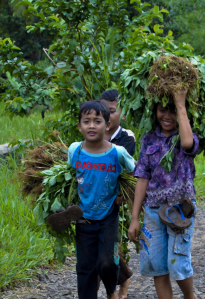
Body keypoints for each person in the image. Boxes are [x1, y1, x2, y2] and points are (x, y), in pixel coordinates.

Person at [128, 89, 199, 299]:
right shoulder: (149, 139)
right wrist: (134, 217)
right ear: (154, 112)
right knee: (156, 265)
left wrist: (180, 103)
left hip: (180, 208)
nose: (167, 116)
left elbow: (187, 145)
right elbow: (142, 178)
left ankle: (190, 297)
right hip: (152, 210)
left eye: (172, 111)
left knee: (177, 262)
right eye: (161, 110)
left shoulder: (187, 134)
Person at [69, 100, 135, 299]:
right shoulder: (75, 151)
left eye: (97, 121)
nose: (91, 126)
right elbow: (70, 178)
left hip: (108, 217)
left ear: (107, 125)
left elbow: (137, 174)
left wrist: (126, 195)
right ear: (79, 125)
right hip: (83, 217)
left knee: (108, 262)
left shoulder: (117, 153)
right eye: (86, 121)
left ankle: (112, 290)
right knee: (85, 268)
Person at [99, 89, 136, 299]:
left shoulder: (126, 137)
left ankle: (120, 284)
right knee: (103, 247)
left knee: (112, 247)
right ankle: (122, 279)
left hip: (118, 199)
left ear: (121, 113)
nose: (108, 115)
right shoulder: (92, 132)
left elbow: (124, 169)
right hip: (96, 199)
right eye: (104, 110)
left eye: (112, 111)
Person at [100, 89, 136, 156]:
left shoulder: (128, 137)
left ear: (123, 114)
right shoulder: (93, 133)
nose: (106, 115)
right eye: (103, 110)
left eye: (112, 111)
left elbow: (115, 160)